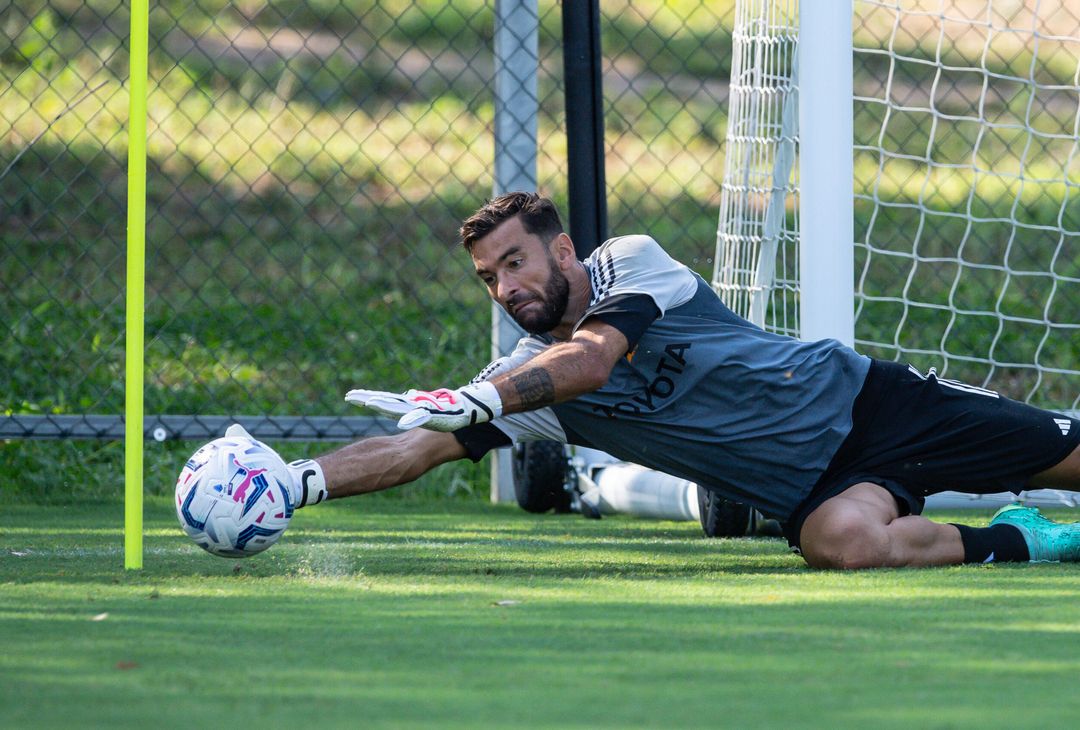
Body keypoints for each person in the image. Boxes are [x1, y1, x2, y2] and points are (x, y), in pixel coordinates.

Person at [279, 191, 1080, 569]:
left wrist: (482, 399)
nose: (505, 288)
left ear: (561, 253)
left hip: (873, 405)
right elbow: (412, 450)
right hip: (816, 491)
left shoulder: (633, 262)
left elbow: (590, 361)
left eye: (514, 263)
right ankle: (1024, 540)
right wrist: (294, 484)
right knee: (841, 546)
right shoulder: (528, 388)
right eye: (489, 278)